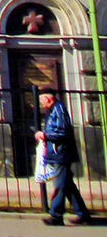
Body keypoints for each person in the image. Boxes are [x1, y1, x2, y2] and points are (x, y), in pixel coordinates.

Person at [35, 86, 92, 226]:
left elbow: (62, 131)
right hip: (58, 153)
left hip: (61, 153)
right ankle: (83, 215)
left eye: (41, 100)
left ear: (47, 98)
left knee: (60, 185)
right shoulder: (53, 110)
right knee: (67, 186)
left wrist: (44, 135)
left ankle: (56, 215)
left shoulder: (58, 109)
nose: (41, 103)